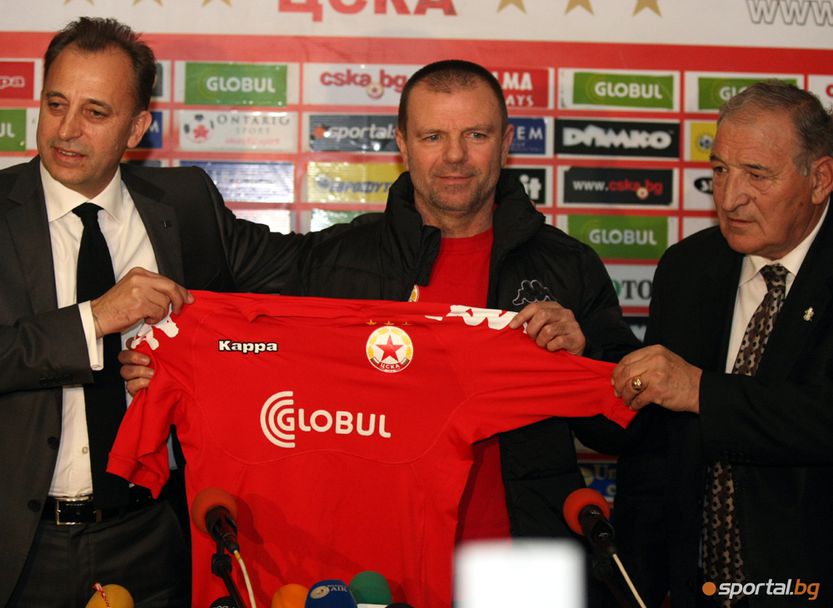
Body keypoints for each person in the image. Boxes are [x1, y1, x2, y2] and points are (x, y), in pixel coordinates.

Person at [0, 17, 350, 607]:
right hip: (23, 546)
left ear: (137, 127)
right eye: (56, 104)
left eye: (95, 112)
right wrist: (94, 319)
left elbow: (305, 269)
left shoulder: (185, 205)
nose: (66, 129)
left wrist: (432, 219)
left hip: (154, 536)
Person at [290, 60, 639, 545]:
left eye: (476, 135)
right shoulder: (337, 260)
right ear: (402, 143)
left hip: (522, 557)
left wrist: (583, 361)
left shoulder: (567, 264)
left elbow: (627, 430)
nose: (455, 156)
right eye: (433, 136)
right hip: (380, 554)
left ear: (506, 142)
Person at [611, 81, 833, 607]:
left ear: (820, 179)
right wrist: (636, 587)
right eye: (720, 170)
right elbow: (655, 451)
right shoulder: (688, 268)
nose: (730, 197)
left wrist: (701, 392)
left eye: (757, 174)